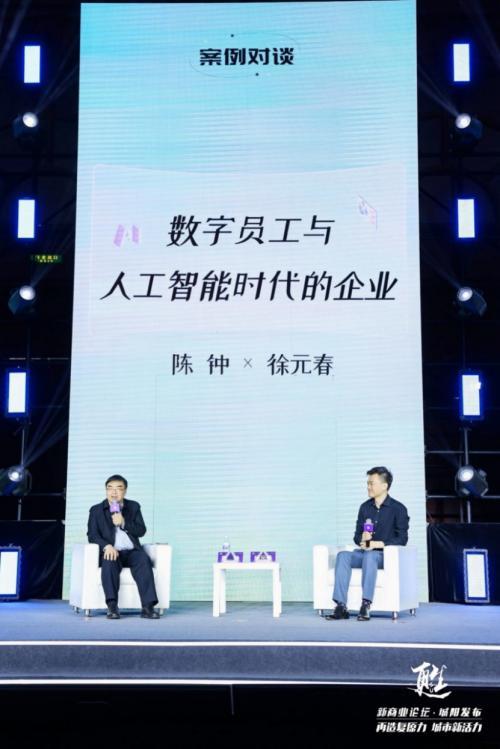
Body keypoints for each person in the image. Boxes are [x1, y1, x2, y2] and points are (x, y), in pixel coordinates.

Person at [326, 466, 409, 622]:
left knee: (370, 556)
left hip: (384, 556)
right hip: (365, 553)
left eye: (372, 483)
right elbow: (356, 536)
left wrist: (378, 543)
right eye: (368, 483)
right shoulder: (364, 507)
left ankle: (366, 604)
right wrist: (362, 540)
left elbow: (402, 539)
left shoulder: (398, 509)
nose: (368, 487)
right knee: (343, 556)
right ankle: (341, 606)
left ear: (384, 486)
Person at [87, 474, 160, 619]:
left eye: (118, 488)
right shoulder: (96, 510)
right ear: (106, 490)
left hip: (132, 551)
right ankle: (112, 606)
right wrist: (106, 546)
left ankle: (148, 607)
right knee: (109, 561)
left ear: (125, 491)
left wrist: (124, 523)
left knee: (143, 560)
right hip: (112, 551)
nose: (114, 492)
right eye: (110, 488)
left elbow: (141, 531)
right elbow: (92, 535)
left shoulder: (133, 506)